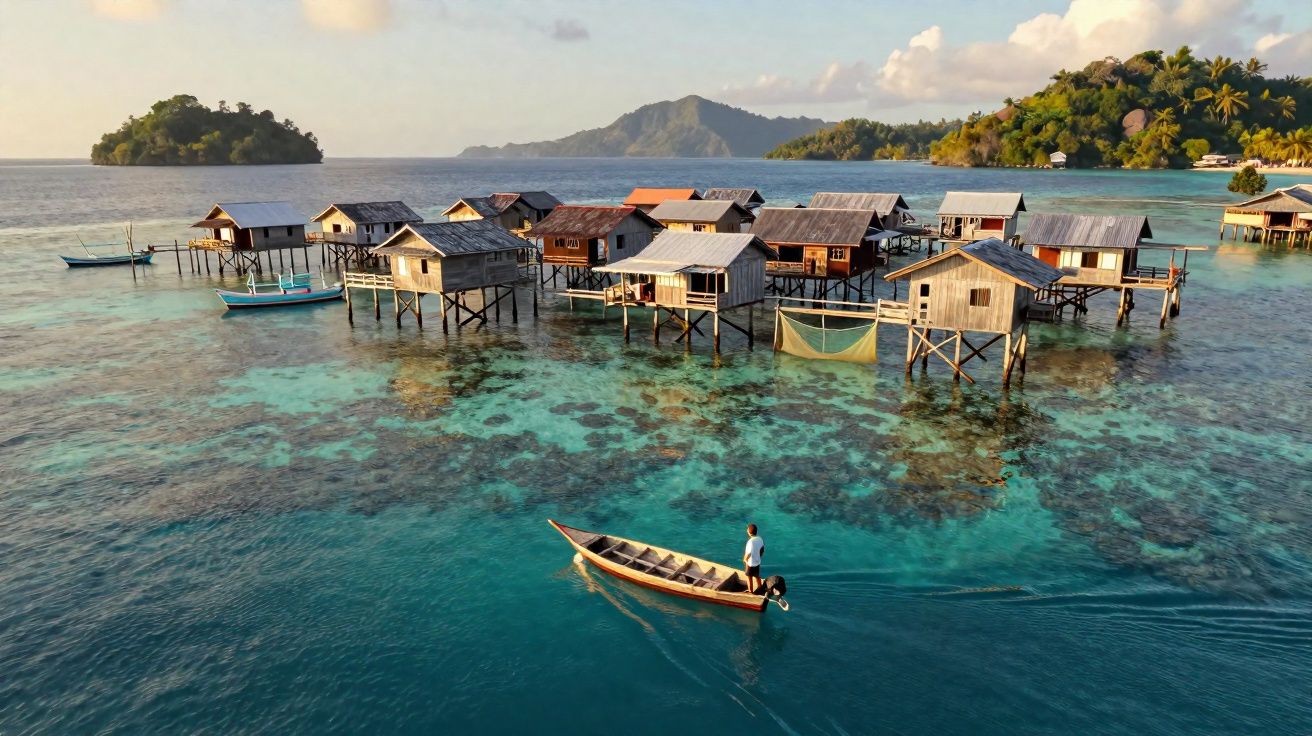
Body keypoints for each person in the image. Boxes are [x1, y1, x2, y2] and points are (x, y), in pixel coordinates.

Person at [743, 523, 765, 594]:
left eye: (747, 529)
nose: (746, 530)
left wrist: (745, 560)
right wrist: (758, 557)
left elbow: (748, 553)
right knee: (756, 575)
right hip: (757, 561)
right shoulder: (760, 539)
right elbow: (762, 550)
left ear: (749, 532)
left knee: (749, 577)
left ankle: (750, 591)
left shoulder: (750, 542)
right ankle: (760, 587)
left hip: (750, 563)